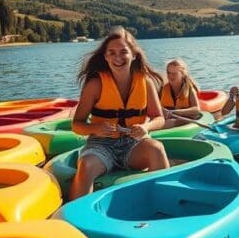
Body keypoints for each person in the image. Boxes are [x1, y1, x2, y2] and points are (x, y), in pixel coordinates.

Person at [70, 27, 169, 200]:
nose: (118, 57)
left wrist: (146, 127)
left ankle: (162, 203)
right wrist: (96, 128)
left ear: (134, 55)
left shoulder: (145, 82)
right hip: (101, 146)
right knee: (86, 165)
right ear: (105, 57)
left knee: (157, 149)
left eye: (124, 52)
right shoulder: (95, 85)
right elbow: (77, 125)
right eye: (112, 53)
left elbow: (159, 118)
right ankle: (73, 214)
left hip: (133, 144)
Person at [159, 58, 202, 128]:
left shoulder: (190, 89)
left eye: (174, 74)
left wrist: (172, 112)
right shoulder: (164, 88)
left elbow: (196, 110)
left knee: (169, 122)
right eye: (168, 73)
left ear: (182, 74)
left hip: (185, 119)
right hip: (170, 118)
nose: (170, 76)